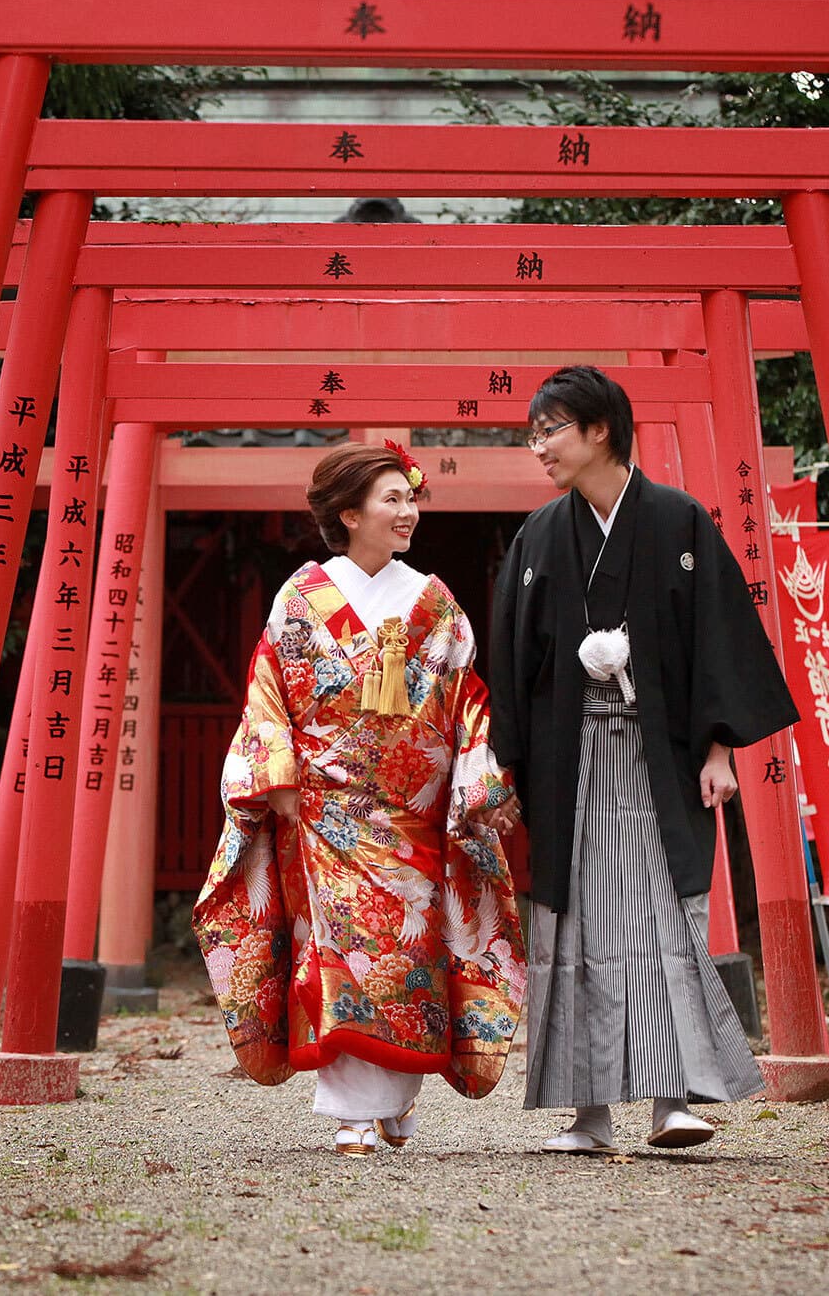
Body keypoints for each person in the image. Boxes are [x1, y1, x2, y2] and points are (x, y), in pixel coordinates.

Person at [487, 366, 797, 1153]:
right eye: (534, 433)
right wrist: (506, 767)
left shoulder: (679, 523)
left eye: (548, 429)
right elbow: (512, 659)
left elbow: (719, 643)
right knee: (576, 927)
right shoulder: (540, 536)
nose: (538, 448)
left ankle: (675, 1101)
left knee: (668, 919)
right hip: (571, 761)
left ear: (599, 430)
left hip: (662, 756)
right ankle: (587, 1113)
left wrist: (721, 747)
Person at [193, 440, 525, 1156]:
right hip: (327, 812)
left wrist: (481, 784)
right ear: (349, 512)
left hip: (415, 815)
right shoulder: (300, 598)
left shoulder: (434, 602)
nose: (409, 511)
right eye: (392, 499)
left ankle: (395, 1100)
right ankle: (349, 1108)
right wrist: (276, 777)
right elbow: (267, 694)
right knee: (343, 952)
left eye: (411, 499)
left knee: (411, 957)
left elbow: (467, 700)